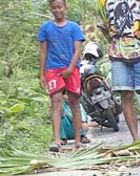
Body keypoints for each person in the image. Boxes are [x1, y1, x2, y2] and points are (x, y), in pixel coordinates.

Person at [98, 0, 140, 142]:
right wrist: (114, 41)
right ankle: (136, 140)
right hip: (117, 52)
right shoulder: (103, 1)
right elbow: (104, 25)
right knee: (126, 94)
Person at [38, 0, 86, 152]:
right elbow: (43, 51)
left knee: (74, 102)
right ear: (50, 9)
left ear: (65, 8)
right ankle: (57, 140)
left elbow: (77, 50)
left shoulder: (74, 27)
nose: (57, 10)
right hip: (53, 69)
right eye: (54, 8)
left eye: (60, 7)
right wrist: (41, 74)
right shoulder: (46, 28)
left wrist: (71, 68)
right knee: (56, 100)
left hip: (72, 68)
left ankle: (78, 140)